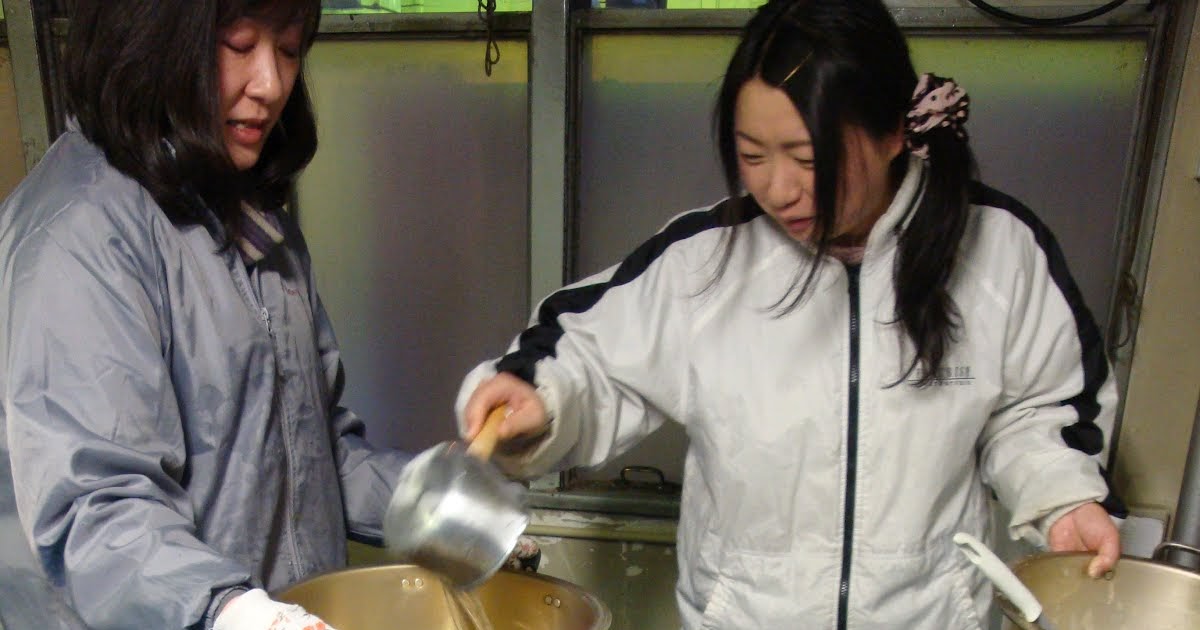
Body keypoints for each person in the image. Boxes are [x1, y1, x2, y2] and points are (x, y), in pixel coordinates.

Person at [457, 0, 1126, 627]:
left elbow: (1040, 412)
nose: (778, 188)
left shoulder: (998, 247)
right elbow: (588, 359)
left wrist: (1066, 501)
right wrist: (539, 400)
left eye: (810, 158)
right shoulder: (707, 260)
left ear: (893, 131)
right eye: (752, 156)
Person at [0, 1, 414, 628]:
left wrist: (435, 501)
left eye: (290, 49)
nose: (271, 85)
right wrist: (233, 612)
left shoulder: (247, 215)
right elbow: (97, 509)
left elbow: (315, 453)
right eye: (238, 45)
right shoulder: (80, 235)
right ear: (148, 44)